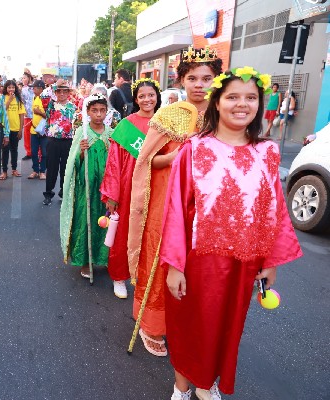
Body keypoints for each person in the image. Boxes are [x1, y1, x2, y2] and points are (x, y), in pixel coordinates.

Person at [162, 67, 302, 400]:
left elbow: (274, 209)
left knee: (226, 328)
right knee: (189, 324)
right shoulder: (194, 149)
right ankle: (182, 387)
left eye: (251, 97)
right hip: (199, 260)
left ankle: (207, 382)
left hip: (244, 261)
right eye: (233, 97)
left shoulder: (267, 152)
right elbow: (175, 209)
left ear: (259, 103)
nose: (242, 104)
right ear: (217, 102)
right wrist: (175, 265)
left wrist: (270, 261)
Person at [127, 46, 223, 357]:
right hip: (169, 202)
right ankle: (152, 325)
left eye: (206, 78)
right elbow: (147, 162)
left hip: (208, 206)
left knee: (199, 267)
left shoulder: (224, 114)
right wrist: (177, 156)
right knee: (162, 259)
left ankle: (188, 323)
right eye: (192, 78)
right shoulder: (168, 115)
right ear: (181, 80)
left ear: (217, 79)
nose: (200, 85)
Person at [100, 78, 161, 299]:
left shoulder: (164, 124)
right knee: (124, 232)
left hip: (156, 187)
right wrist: (112, 194)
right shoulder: (127, 125)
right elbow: (113, 163)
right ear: (135, 99)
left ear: (157, 97)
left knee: (152, 234)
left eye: (151, 95)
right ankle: (119, 277)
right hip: (128, 188)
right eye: (142, 96)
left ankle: (146, 278)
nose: (147, 99)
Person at [60, 93, 112, 278]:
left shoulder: (111, 133)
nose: (98, 114)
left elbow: (116, 161)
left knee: (108, 221)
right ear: (88, 112)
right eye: (94, 110)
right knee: (86, 219)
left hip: (106, 185)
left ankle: (105, 258)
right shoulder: (81, 133)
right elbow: (73, 163)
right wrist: (81, 152)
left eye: (102, 110)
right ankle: (85, 260)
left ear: (107, 112)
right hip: (86, 187)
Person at [43, 79, 77, 205]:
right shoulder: (51, 106)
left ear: (68, 93)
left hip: (68, 141)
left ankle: (64, 193)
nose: (62, 94)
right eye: (59, 91)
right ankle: (48, 193)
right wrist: (55, 85)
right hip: (53, 141)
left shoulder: (73, 107)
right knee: (51, 168)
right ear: (55, 93)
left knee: (66, 169)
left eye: (64, 91)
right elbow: (44, 95)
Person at [1, 79, 26, 179]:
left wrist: (20, 130)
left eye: (13, 87)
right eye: (9, 87)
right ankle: (4, 171)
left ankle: (14, 169)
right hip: (5, 129)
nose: (11, 89)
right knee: (5, 150)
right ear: (6, 88)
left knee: (14, 150)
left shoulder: (19, 100)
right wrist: (10, 100)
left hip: (15, 128)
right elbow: (2, 110)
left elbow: (21, 115)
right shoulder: (2, 98)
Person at [28, 80, 48, 180]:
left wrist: (39, 112)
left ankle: (42, 171)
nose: (33, 90)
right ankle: (35, 170)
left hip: (44, 131)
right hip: (34, 130)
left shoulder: (47, 100)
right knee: (34, 152)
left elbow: (49, 115)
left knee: (44, 152)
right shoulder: (35, 98)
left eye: (35, 88)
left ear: (41, 89)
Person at [21, 70, 34, 160]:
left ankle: (37, 152)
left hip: (36, 115)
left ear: (29, 78)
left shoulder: (35, 87)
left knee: (37, 134)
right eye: (22, 78)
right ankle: (29, 152)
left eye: (24, 78)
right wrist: (24, 110)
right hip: (27, 115)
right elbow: (22, 101)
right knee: (27, 134)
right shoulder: (23, 89)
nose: (23, 80)